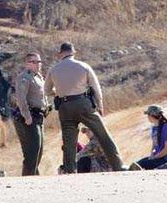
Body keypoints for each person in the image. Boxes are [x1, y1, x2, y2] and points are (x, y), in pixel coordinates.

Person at [45, 42, 126, 173]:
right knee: (102, 135)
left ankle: (70, 170)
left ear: (60, 54)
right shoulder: (83, 66)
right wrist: (100, 105)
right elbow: (96, 87)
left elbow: (47, 91)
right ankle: (118, 166)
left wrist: (60, 92)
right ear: (73, 53)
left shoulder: (53, 70)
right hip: (83, 103)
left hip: (65, 106)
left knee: (69, 140)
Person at [13, 52, 48, 176]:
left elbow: (42, 95)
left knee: (39, 150)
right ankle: (28, 179)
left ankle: (33, 177)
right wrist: (27, 116)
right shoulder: (25, 77)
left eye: (39, 61)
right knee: (32, 151)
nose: (37, 64)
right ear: (26, 64)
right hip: (28, 117)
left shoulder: (39, 77)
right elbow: (21, 98)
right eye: (33, 62)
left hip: (39, 116)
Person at [130, 105, 167, 170]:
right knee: (138, 164)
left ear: (152, 115)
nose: (148, 117)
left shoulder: (166, 128)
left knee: (142, 165)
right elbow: (154, 145)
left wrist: (155, 157)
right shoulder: (154, 128)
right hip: (158, 157)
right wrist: (152, 155)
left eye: (148, 115)